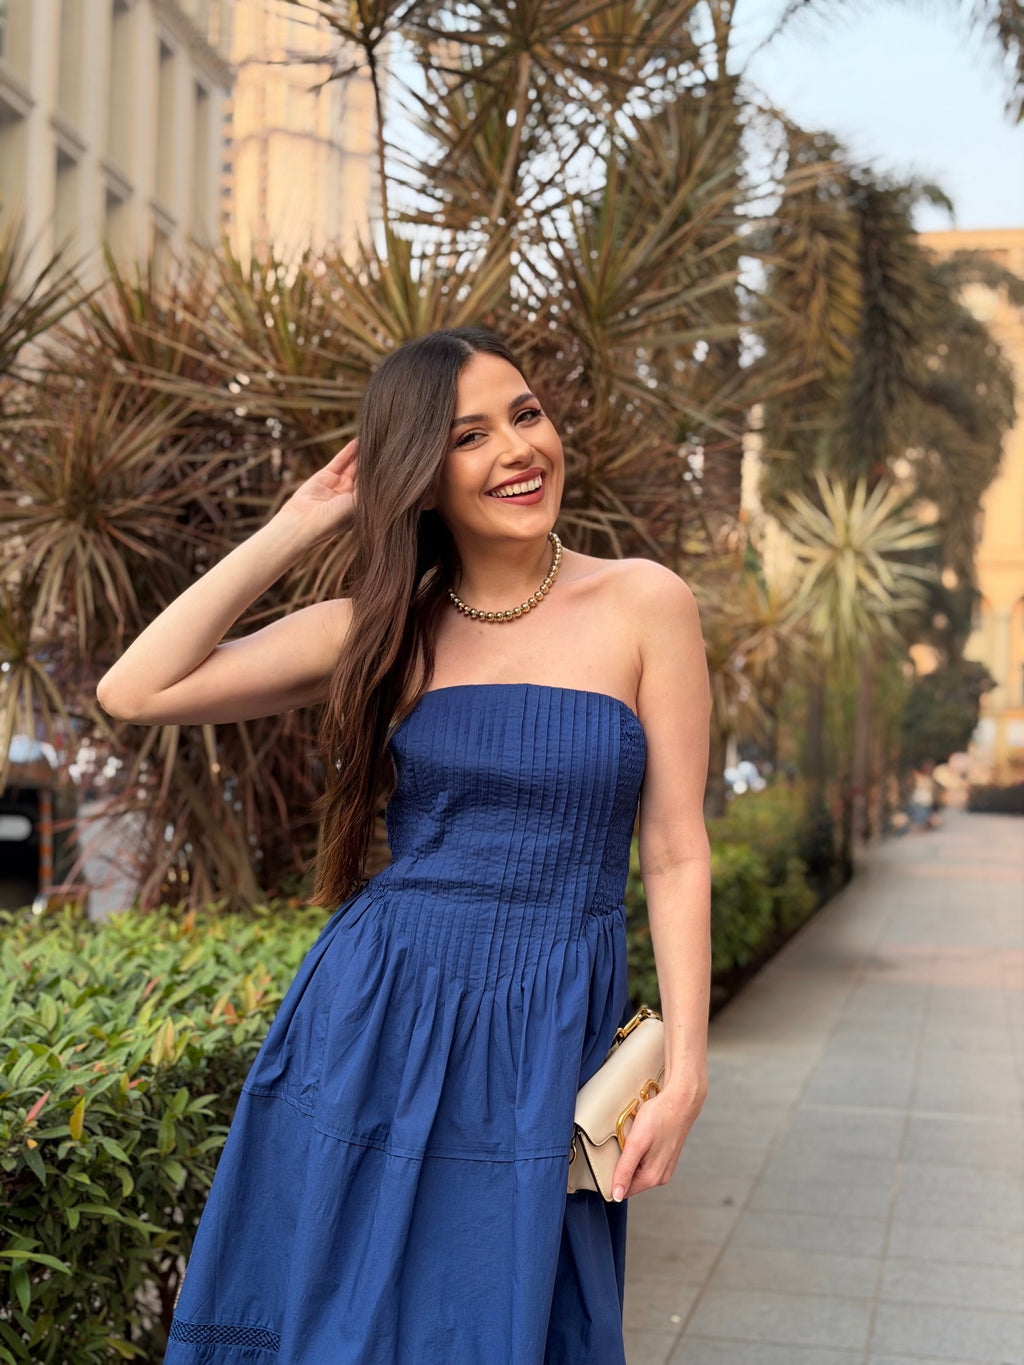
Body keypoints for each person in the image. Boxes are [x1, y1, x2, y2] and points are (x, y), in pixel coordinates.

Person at [97, 327, 712, 1364]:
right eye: (467, 437)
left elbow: (677, 852)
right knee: (340, 1320)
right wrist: (297, 525)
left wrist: (687, 1070)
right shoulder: (387, 628)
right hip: (379, 1013)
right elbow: (136, 688)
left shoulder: (644, 602)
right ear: (420, 477)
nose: (517, 450)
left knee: (506, 1320)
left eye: (525, 415)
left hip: (548, 1024)